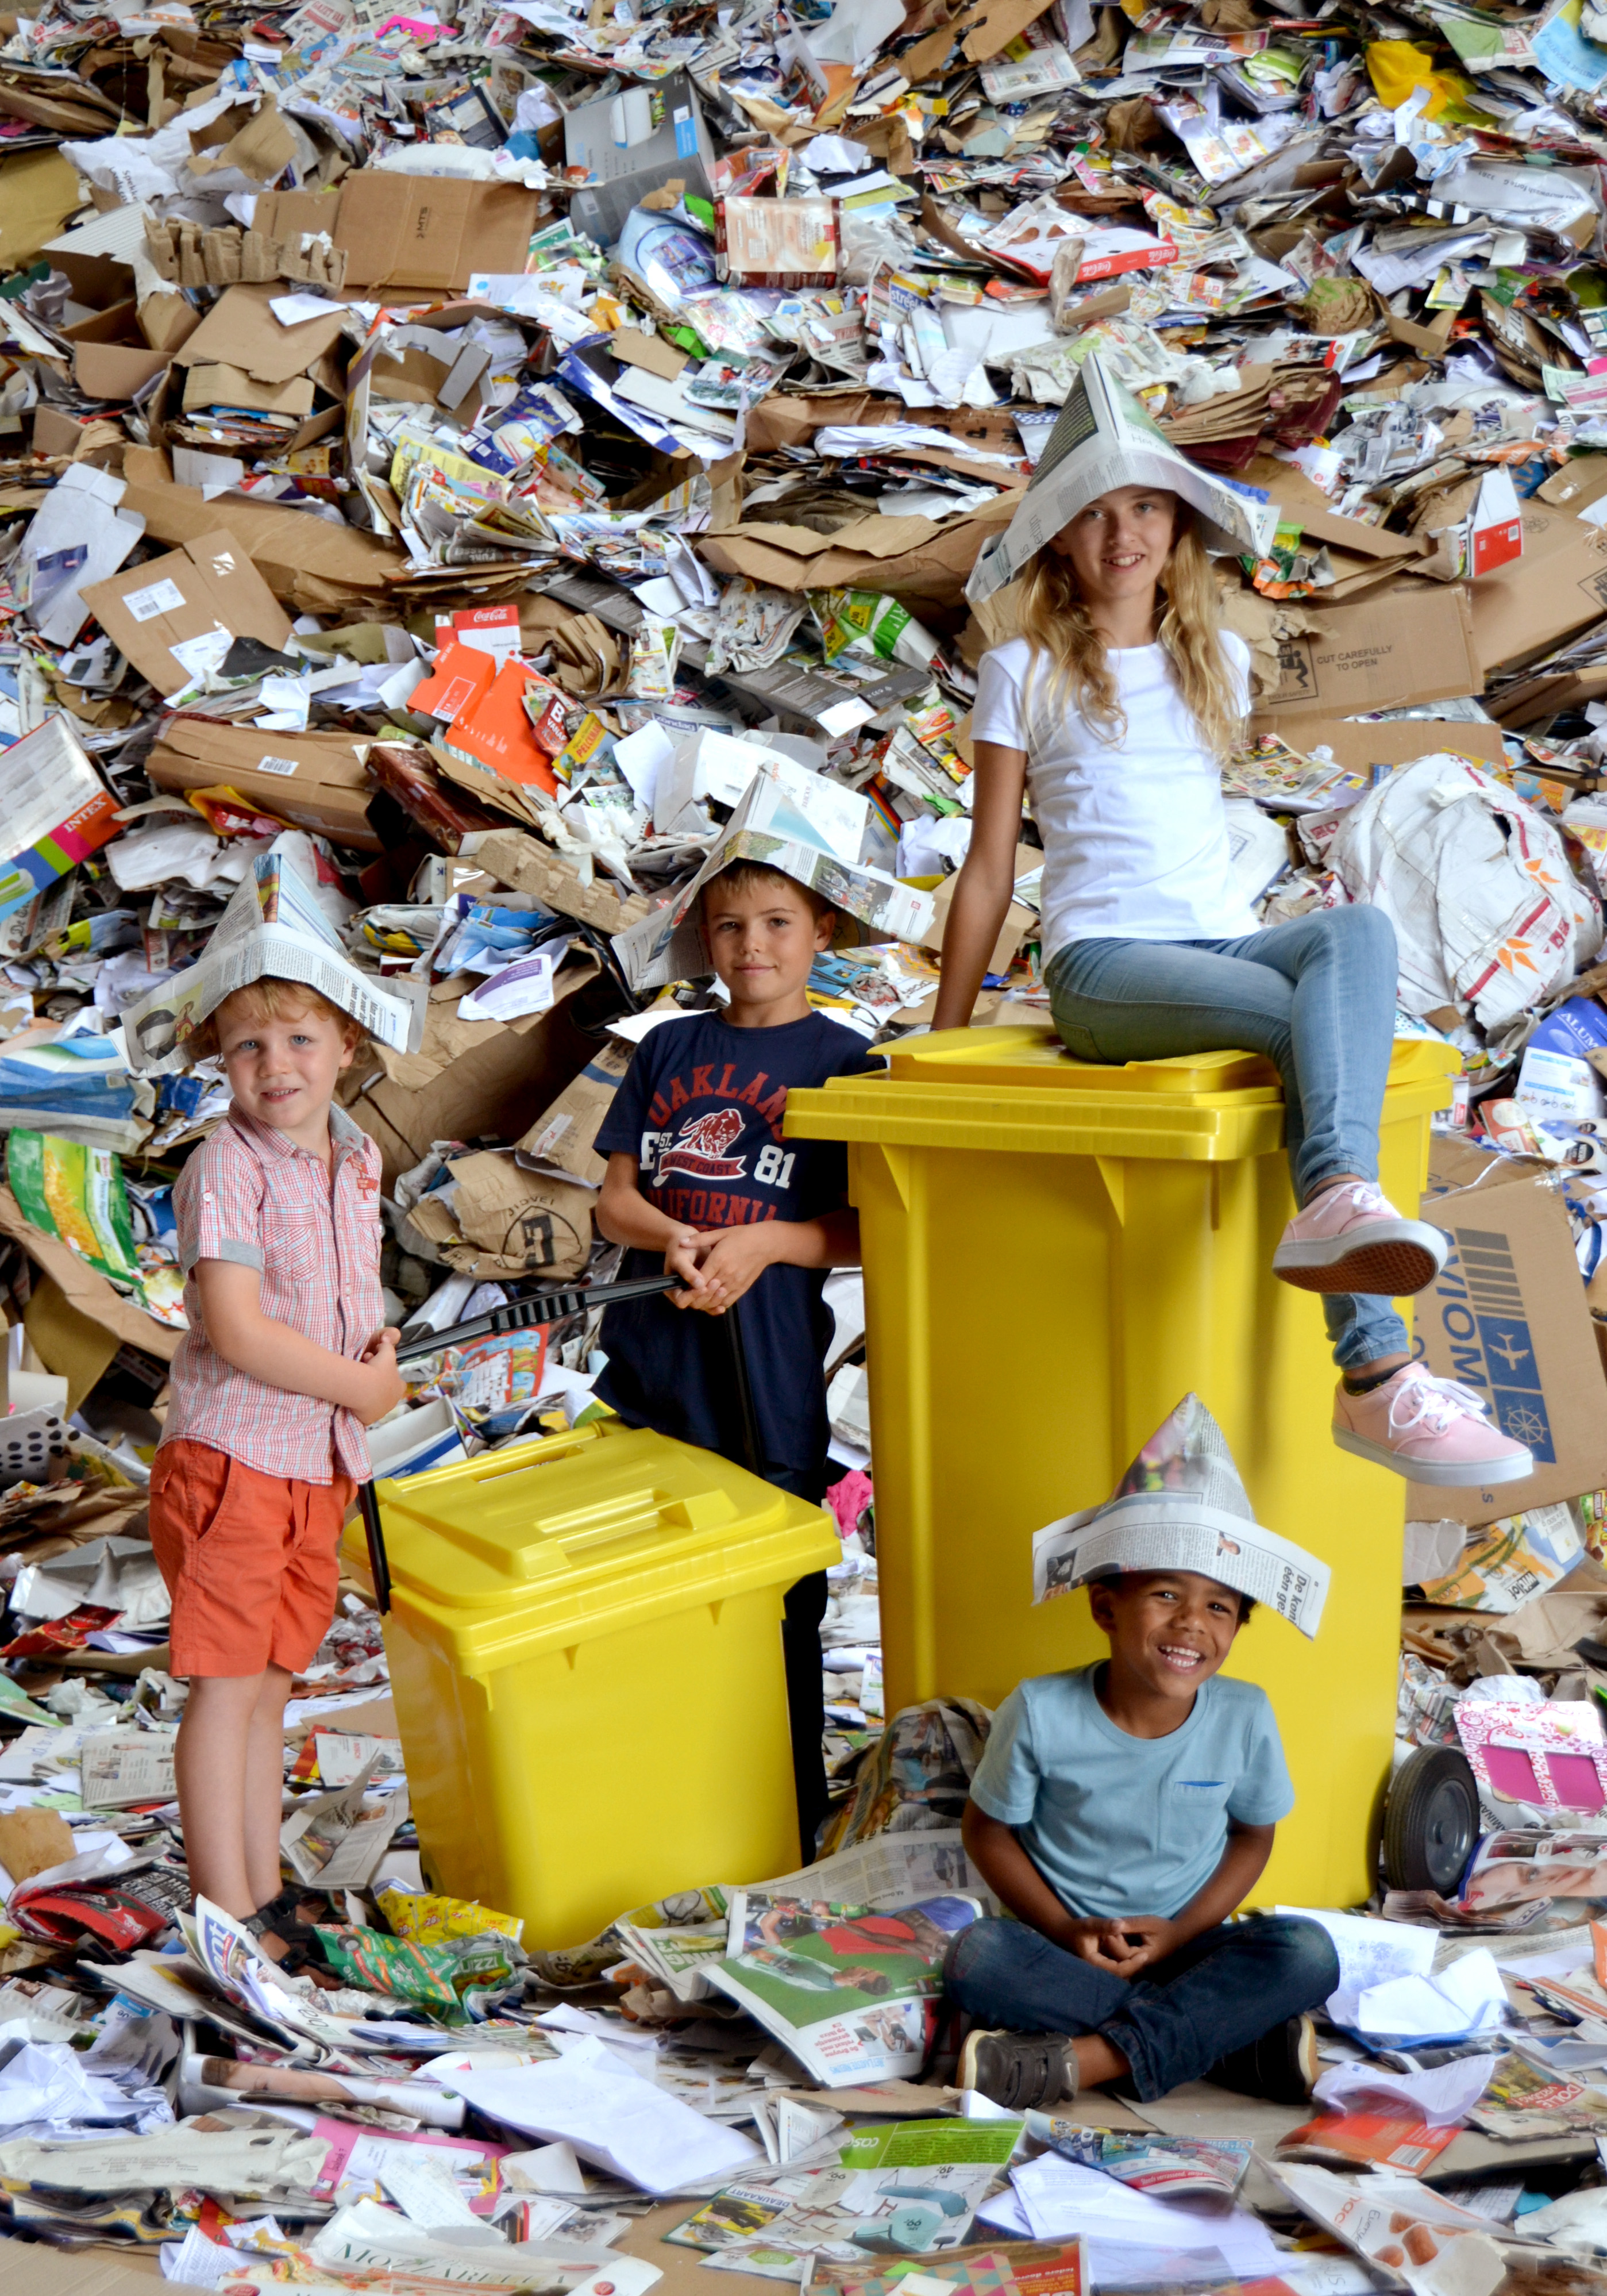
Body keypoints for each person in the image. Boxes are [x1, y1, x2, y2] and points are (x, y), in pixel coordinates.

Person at [934, 453, 1531, 1488]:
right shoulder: (1019, 669)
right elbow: (990, 868)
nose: (1124, 536)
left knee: (1358, 936)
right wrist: (942, 1038)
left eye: (1147, 509)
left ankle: (1337, 1201)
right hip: (1105, 964)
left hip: (1220, 938)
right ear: (1059, 540)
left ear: (1177, 530)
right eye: (1096, 515)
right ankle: (1378, 1373)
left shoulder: (1212, 656)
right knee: (1302, 1023)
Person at [594, 860, 880, 1853]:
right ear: (704, 943)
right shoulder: (669, 1047)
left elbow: (863, 1228)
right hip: (650, 1355)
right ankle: (668, 1801)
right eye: (728, 928)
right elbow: (613, 1201)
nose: (751, 946)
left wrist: (765, 1243)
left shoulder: (848, 1063)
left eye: (776, 923)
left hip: (766, 1371)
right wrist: (671, 1235)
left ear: (822, 934)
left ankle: (783, 1818)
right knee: (653, 1586)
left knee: (776, 1602)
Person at [148, 977, 404, 1947]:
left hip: (315, 1461)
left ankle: (262, 1893)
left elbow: (350, 1292)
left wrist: (373, 1361)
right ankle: (228, 1913)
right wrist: (359, 1386)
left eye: (300, 1040)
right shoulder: (227, 1164)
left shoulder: (359, 1155)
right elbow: (237, 1329)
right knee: (224, 1687)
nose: (275, 1066)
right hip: (232, 1459)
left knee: (267, 1686)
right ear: (219, 1057)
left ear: (345, 1042)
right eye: (249, 1048)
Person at [948, 1559, 1340, 2109]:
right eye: (1165, 1594)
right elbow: (987, 1831)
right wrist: (1065, 1929)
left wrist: (1179, 1934)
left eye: (1218, 1606)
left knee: (1309, 1951)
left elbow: (1253, 1836)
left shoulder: (1244, 1712)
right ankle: (1231, 2044)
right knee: (980, 1956)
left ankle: (1089, 2060)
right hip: (1068, 1951)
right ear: (1105, 1608)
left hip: (1191, 1944)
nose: (1192, 1622)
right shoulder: (1039, 1708)